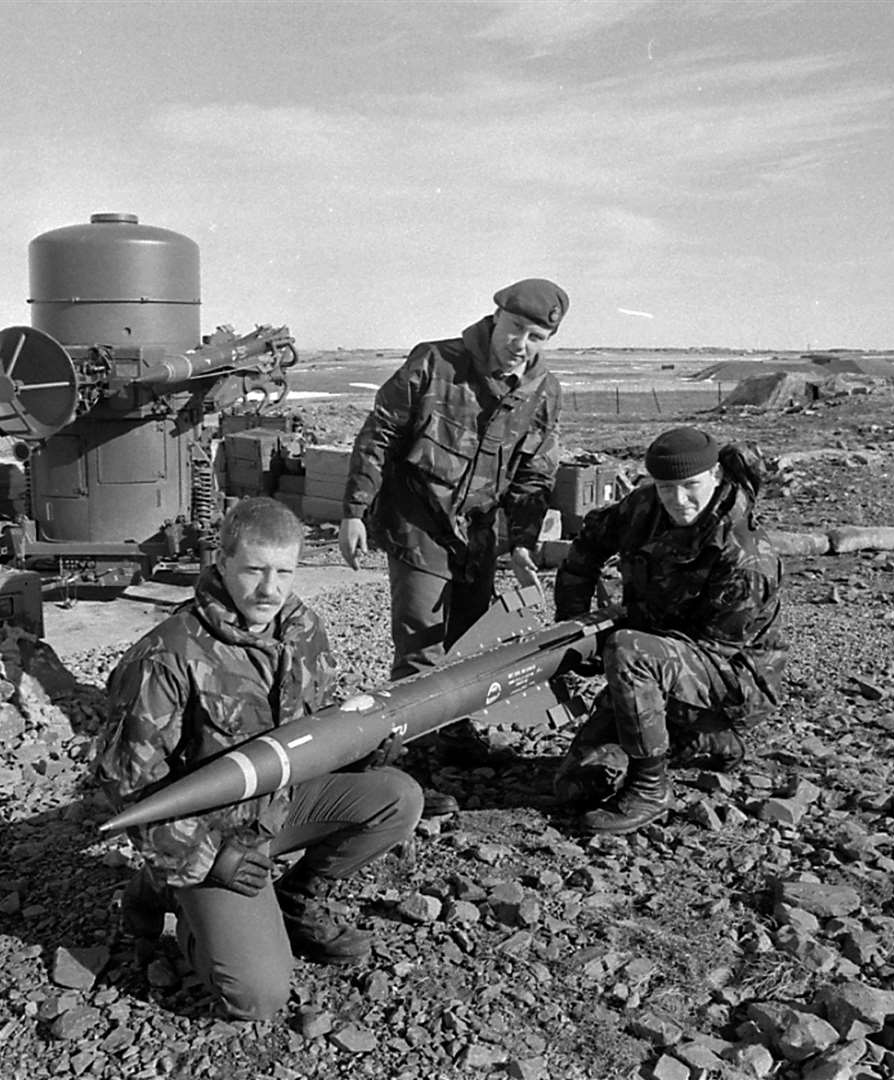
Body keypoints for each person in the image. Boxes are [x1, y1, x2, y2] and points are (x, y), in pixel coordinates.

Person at [91, 497, 423, 1021]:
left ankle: (298, 902)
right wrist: (213, 859)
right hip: (207, 834)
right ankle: (171, 892)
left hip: (276, 808)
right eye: (253, 570)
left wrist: (359, 753)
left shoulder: (303, 631)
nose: (269, 589)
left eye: (284, 572)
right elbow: (127, 787)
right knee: (257, 998)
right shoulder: (169, 655)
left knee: (397, 797)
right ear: (220, 563)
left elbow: (312, 732)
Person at [339, 279, 567, 761]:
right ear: (496, 317)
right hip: (417, 521)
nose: (519, 345)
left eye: (535, 338)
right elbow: (378, 434)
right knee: (423, 643)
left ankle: (454, 732)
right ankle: (412, 754)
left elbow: (534, 473)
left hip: (477, 533)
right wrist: (355, 511)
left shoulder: (542, 391)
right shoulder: (435, 363)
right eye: (515, 329)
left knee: (467, 642)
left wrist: (523, 542)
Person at [551, 427, 787, 834]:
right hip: (654, 660)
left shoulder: (745, 556)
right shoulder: (643, 508)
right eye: (666, 488)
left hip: (730, 679)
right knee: (577, 784)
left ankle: (650, 788)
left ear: (715, 477)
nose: (679, 501)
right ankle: (707, 746)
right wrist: (575, 625)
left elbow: (715, 649)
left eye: (690, 487)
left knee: (630, 651)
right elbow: (587, 546)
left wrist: (617, 647)